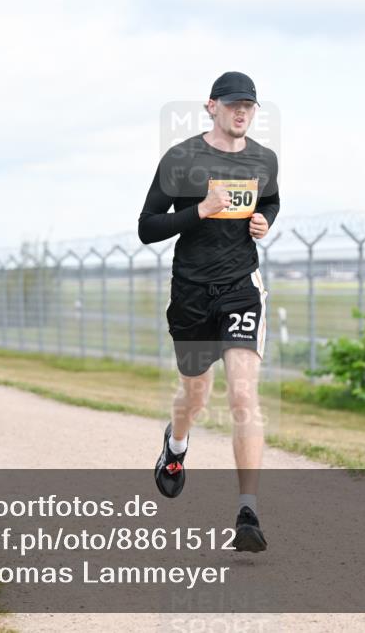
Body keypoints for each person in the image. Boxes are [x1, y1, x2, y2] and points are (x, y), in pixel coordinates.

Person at [138, 71, 280, 553]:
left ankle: (248, 512)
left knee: (243, 396)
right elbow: (147, 227)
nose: (242, 112)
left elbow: (273, 201)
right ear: (212, 107)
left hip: (241, 287)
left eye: (250, 106)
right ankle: (176, 447)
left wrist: (264, 221)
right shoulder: (181, 159)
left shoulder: (264, 159)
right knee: (195, 397)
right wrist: (199, 210)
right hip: (192, 293)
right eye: (234, 104)